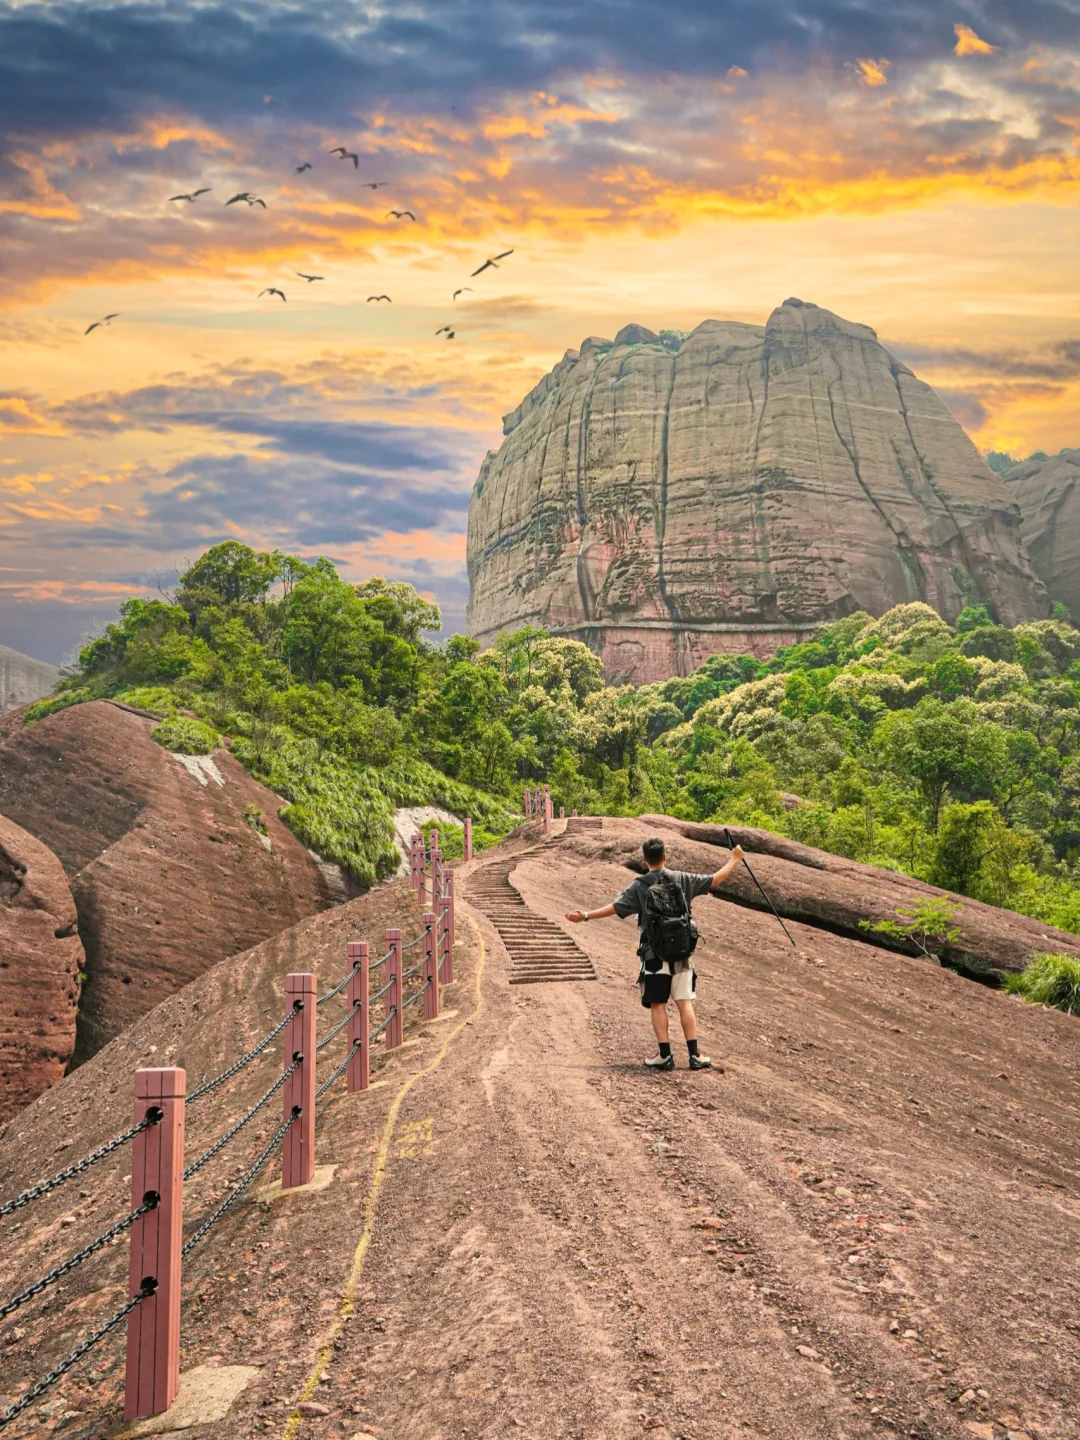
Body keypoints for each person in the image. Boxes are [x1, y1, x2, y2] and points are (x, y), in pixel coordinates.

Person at [565, 835, 744, 1071]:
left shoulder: (639, 886)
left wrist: (585, 916)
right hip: (682, 953)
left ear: (644, 860)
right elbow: (716, 880)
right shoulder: (682, 879)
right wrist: (735, 859)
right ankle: (695, 1056)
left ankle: (665, 1056)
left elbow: (614, 908)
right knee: (685, 1003)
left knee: (658, 1004)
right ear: (665, 857)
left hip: (653, 955)